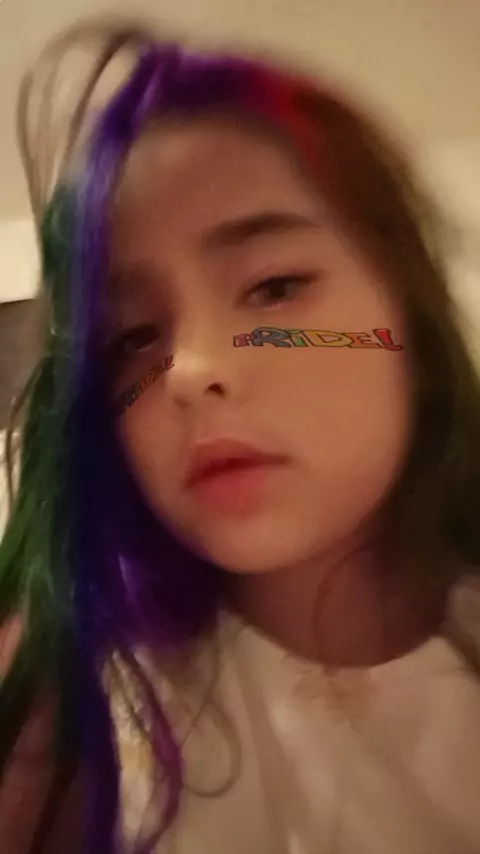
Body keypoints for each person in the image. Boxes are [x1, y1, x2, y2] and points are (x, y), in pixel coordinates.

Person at [1, 14, 480, 854]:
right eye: (132, 336)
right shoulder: (75, 708)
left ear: (412, 328)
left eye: (275, 288)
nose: (189, 372)